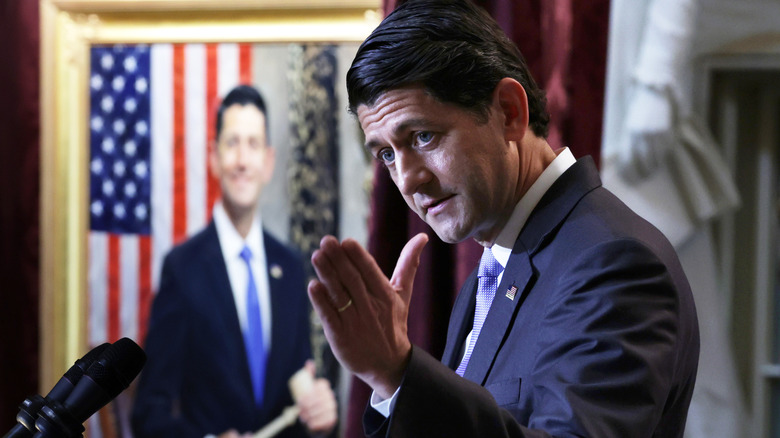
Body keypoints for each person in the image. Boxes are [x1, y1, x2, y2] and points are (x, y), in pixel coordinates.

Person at [306, 0, 700, 436]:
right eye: (386, 154)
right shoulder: (493, 270)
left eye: (423, 136)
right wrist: (391, 384)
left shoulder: (614, 263)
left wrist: (399, 373)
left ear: (509, 112)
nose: (408, 180)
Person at [132, 85, 338, 438]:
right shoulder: (182, 269)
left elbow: (298, 387)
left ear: (269, 162)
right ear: (213, 158)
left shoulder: (289, 267)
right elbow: (148, 413)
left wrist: (321, 416)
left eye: (253, 144)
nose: (242, 161)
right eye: (232, 144)